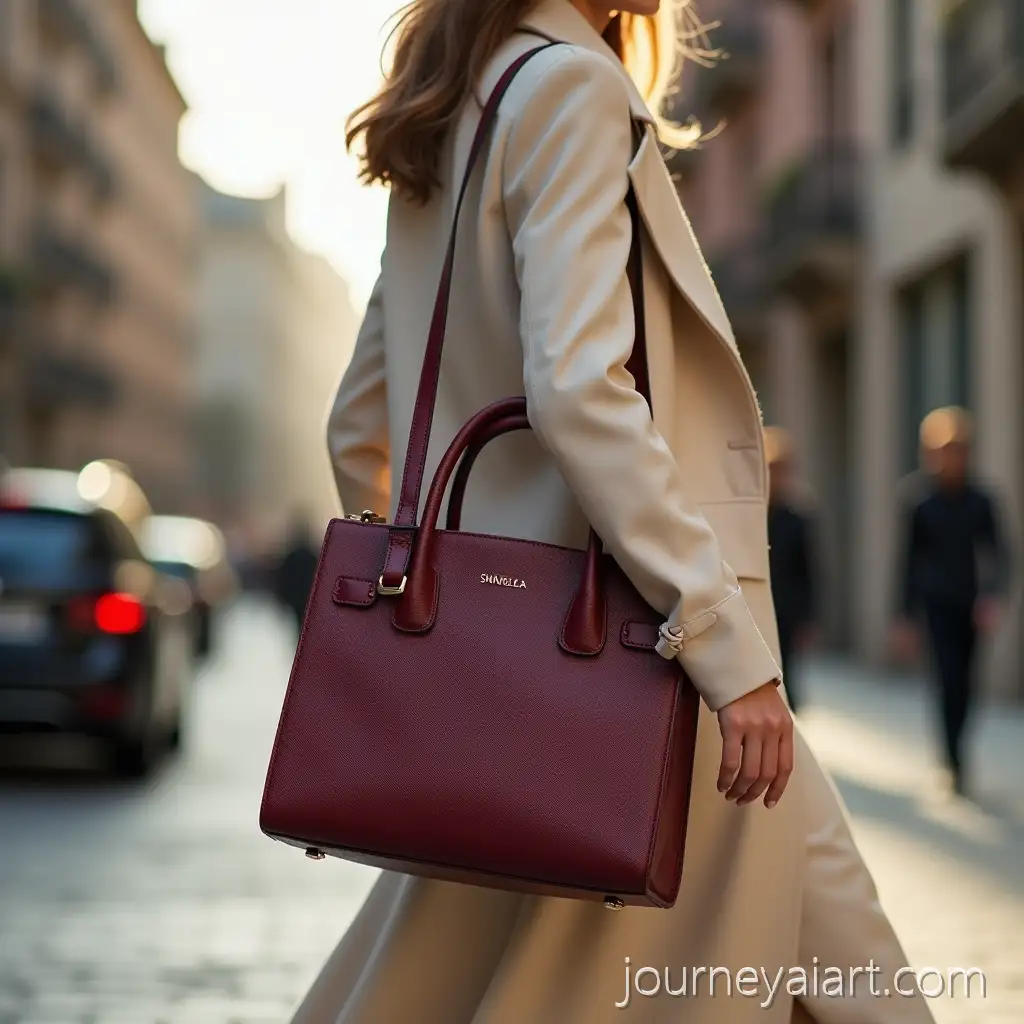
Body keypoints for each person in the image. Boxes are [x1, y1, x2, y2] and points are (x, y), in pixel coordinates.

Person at [293, 2, 935, 1021]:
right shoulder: (570, 88)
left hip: (556, 675)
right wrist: (720, 641)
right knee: (837, 974)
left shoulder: (454, 110)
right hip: (643, 653)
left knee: (837, 962)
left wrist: (466, 615)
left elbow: (360, 427)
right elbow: (580, 391)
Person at [893, 407, 1010, 796]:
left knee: (967, 684)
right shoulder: (919, 501)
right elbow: (907, 562)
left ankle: (958, 750)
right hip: (936, 605)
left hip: (972, 606)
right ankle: (952, 759)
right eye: (944, 450)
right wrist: (905, 616)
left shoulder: (982, 501)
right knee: (947, 679)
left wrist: (993, 597)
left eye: (959, 450)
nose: (951, 458)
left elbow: (1000, 554)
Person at [765, 428, 817, 713]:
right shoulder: (752, 515)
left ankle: (789, 716)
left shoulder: (798, 518)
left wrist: (809, 617)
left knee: (788, 668)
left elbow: (809, 570)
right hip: (757, 605)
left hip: (788, 606)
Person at [272, 516, 320, 640]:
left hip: (296, 598)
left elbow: (282, 578)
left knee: (300, 624)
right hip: (307, 597)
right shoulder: (312, 555)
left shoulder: (291, 556)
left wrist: (282, 598)